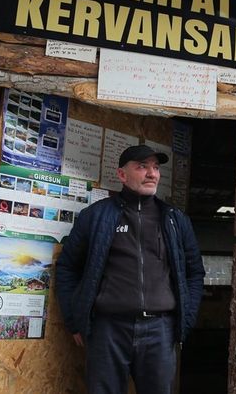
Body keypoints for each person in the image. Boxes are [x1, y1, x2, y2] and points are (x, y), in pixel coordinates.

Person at [55, 144, 205, 394]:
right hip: (107, 330)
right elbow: (68, 268)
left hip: (160, 331)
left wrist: (185, 320)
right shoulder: (95, 216)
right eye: (142, 166)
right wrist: (75, 320)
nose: (152, 174)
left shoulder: (175, 220)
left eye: (156, 168)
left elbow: (194, 273)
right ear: (122, 175)